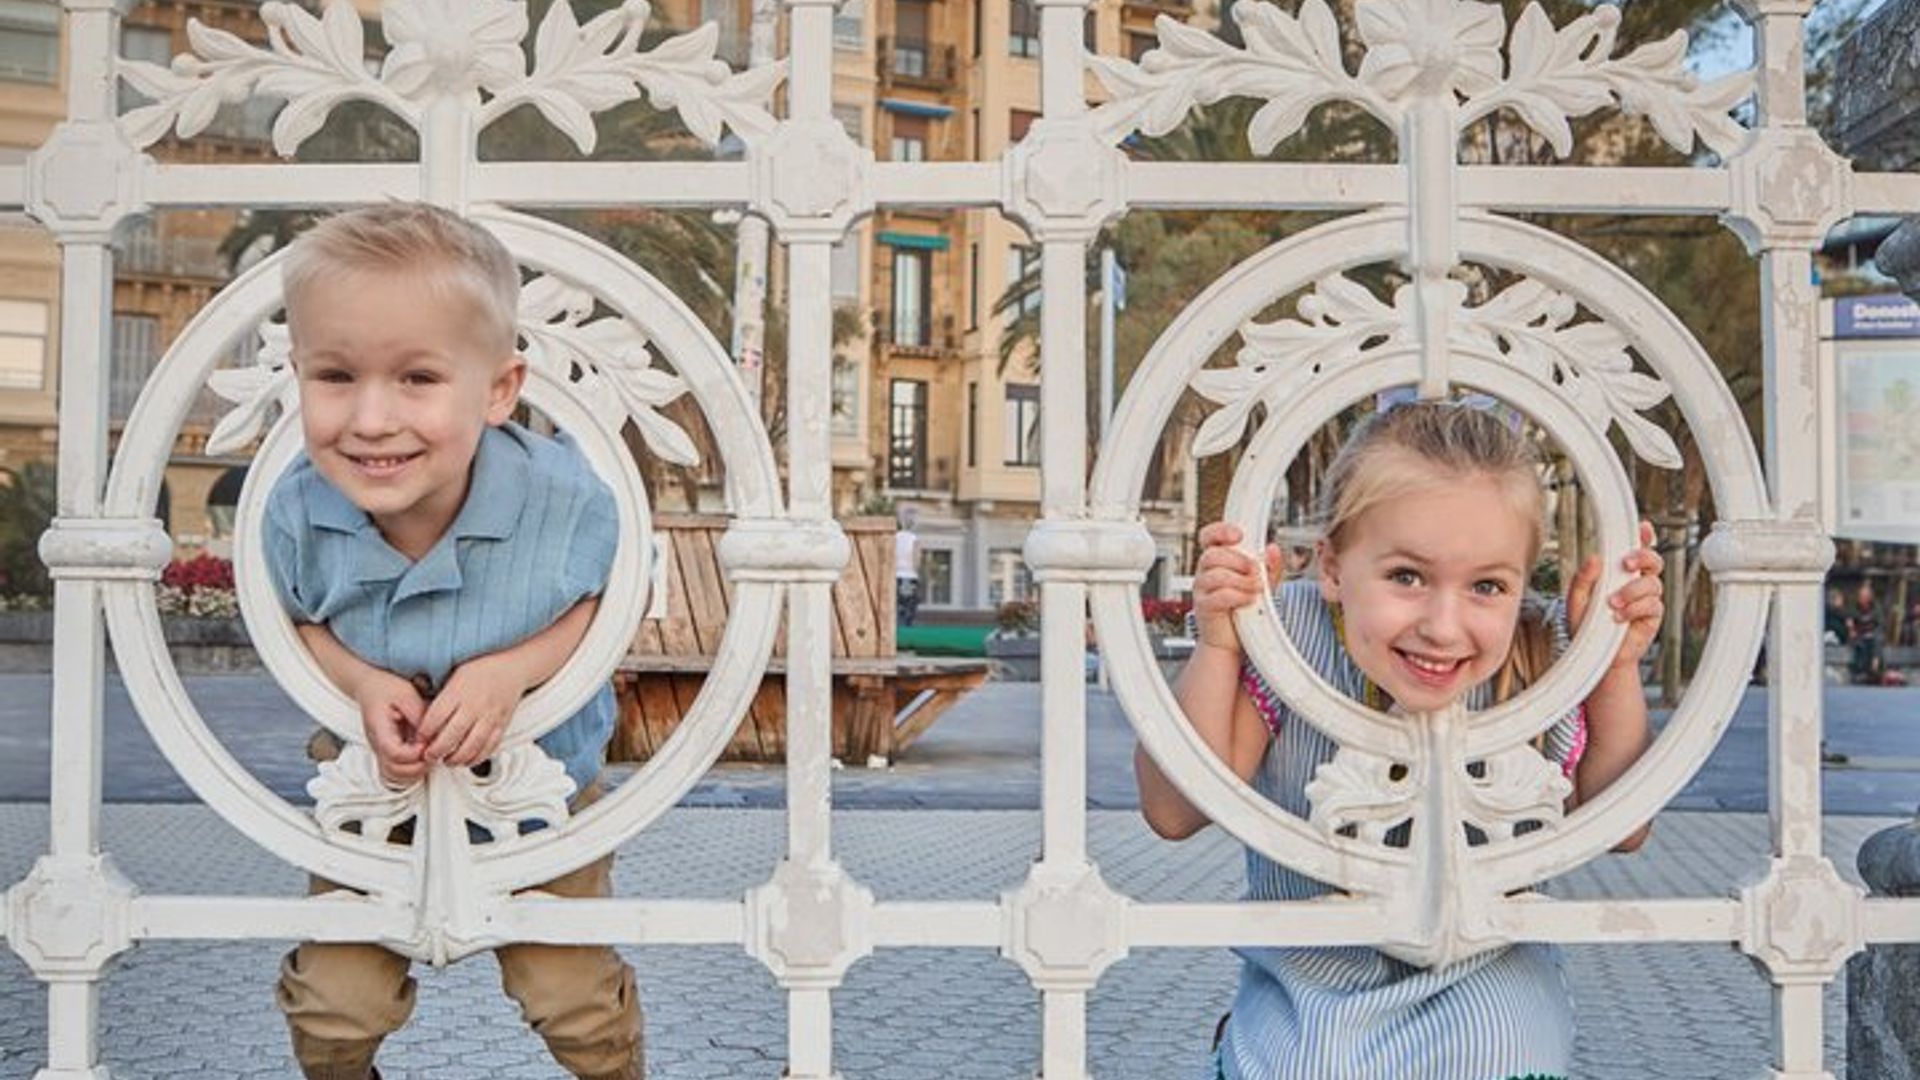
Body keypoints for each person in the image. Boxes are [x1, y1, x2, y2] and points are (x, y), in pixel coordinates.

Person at [1135, 402, 1664, 1080]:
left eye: (1487, 586)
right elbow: (1173, 811)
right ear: (1332, 567)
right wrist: (1220, 647)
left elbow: (1624, 827)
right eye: (1407, 577)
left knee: (1498, 1045)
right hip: (1311, 983)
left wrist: (1612, 665)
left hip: (1488, 974)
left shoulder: (1539, 652)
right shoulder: (1291, 640)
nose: (1443, 626)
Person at [262, 203, 642, 1080]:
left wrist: (514, 671)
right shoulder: (294, 508)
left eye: (418, 378)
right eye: (335, 375)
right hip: (370, 792)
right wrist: (360, 681)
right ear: (298, 375)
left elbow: (610, 602)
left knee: (573, 998)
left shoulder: (566, 499)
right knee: (335, 1005)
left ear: (500, 390)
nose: (370, 418)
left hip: (546, 785)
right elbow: (300, 620)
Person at [895, 509, 921, 626]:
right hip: (909, 576)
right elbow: (916, 559)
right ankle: (906, 627)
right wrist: (916, 570)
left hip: (896, 575)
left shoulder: (895, 537)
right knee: (908, 604)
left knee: (897, 604)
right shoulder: (914, 539)